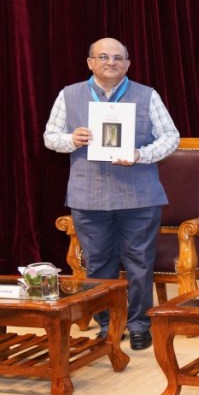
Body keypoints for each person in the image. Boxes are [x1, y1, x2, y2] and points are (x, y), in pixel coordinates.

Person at [43, 37, 180, 351]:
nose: (111, 62)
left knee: (140, 263)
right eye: (103, 57)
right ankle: (108, 325)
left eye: (118, 58)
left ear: (128, 64)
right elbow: (51, 137)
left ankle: (140, 324)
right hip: (88, 195)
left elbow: (171, 137)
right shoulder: (69, 94)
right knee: (98, 264)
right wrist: (71, 139)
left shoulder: (147, 95)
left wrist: (140, 154)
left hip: (139, 195)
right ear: (90, 62)